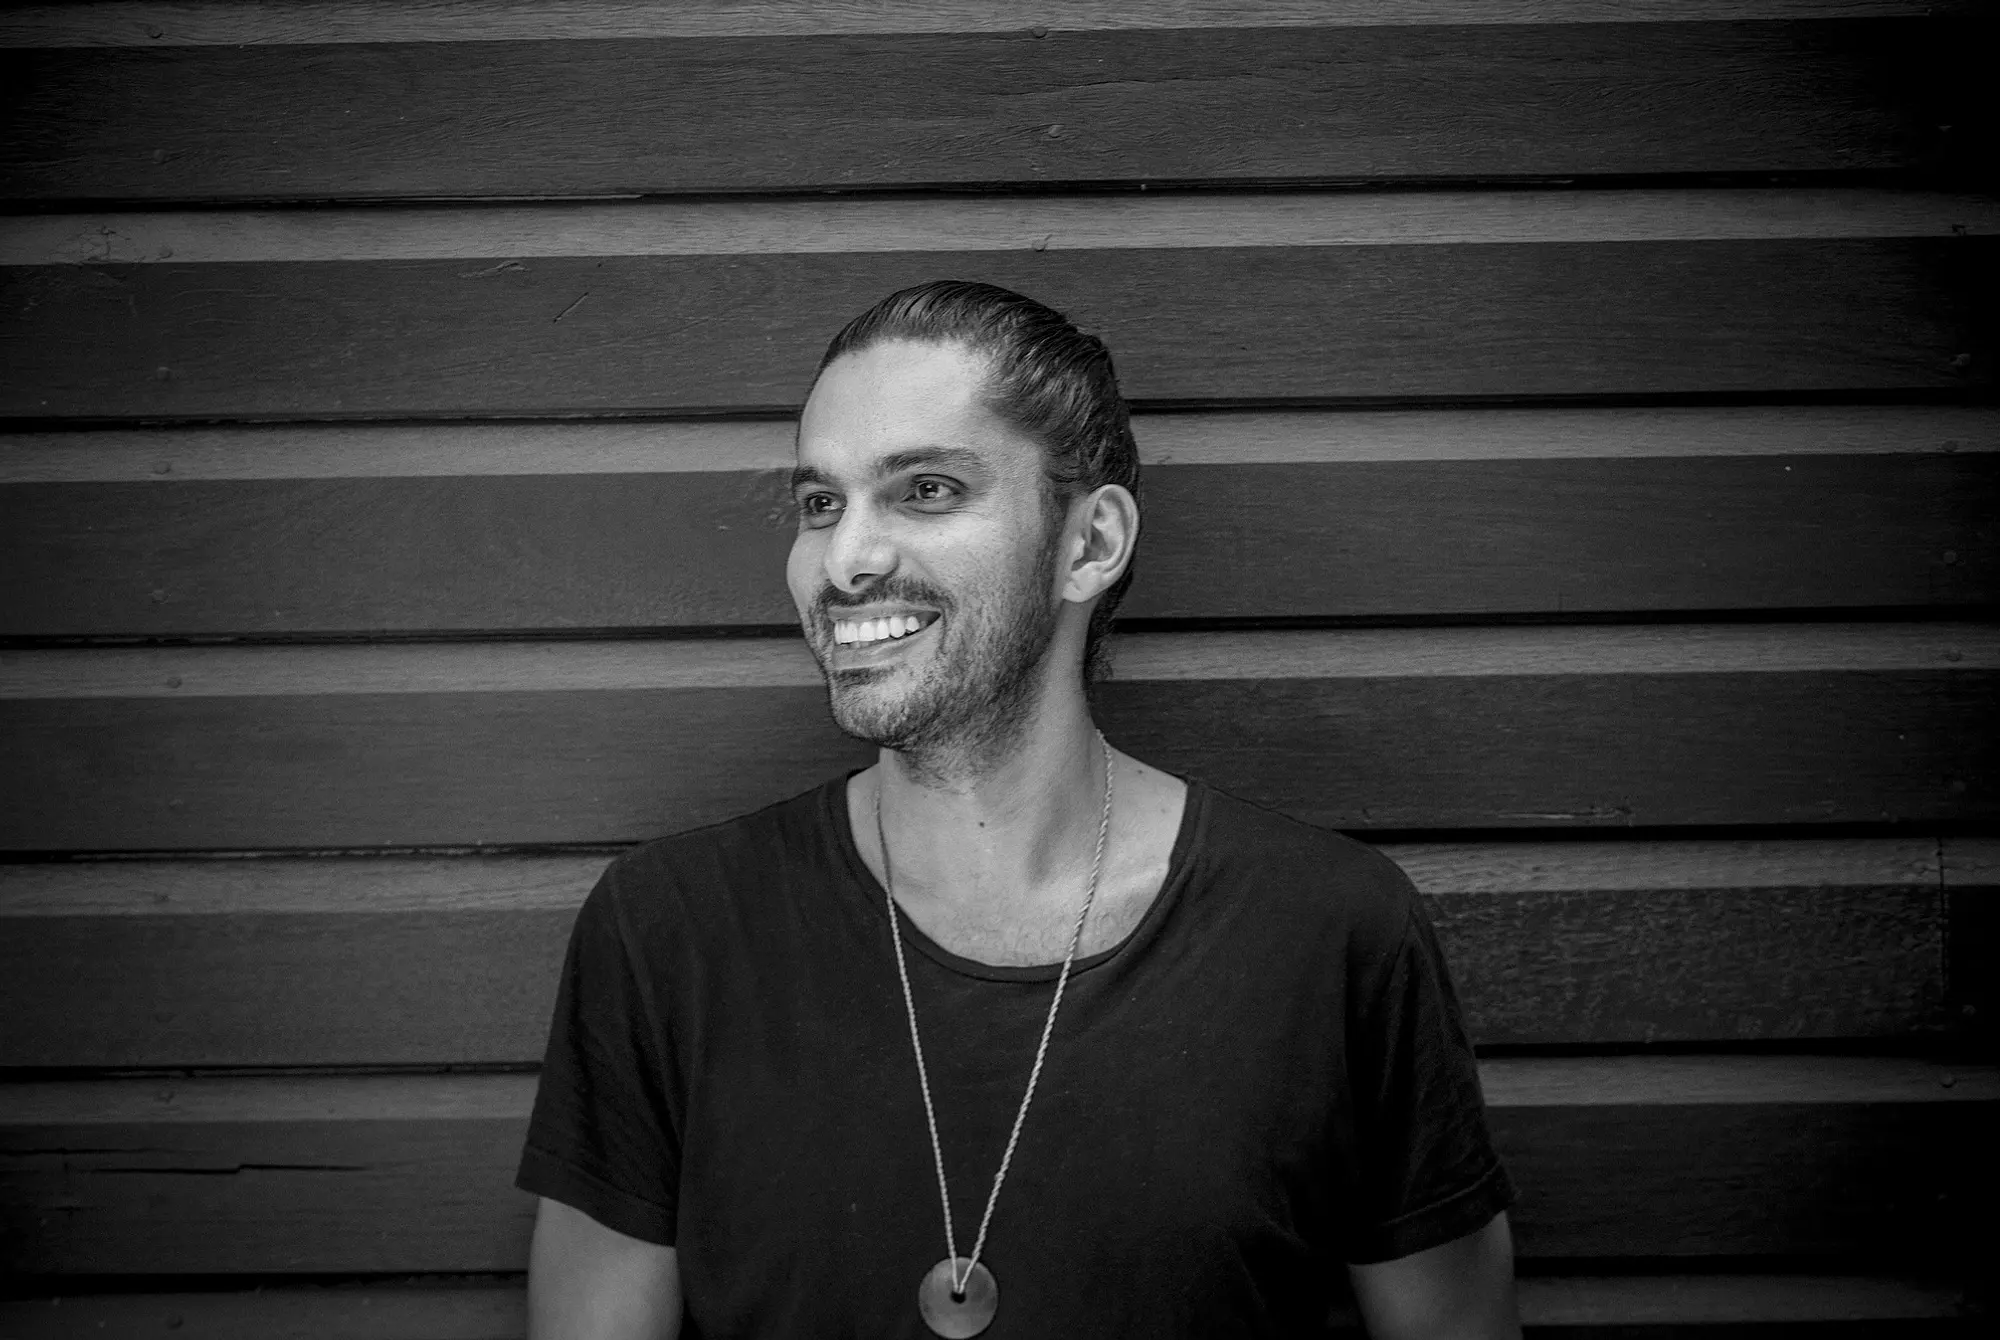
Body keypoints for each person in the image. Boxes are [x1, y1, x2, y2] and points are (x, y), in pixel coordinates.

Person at [516, 280, 1520, 1338]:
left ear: (1089, 544)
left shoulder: (1329, 931)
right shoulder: (669, 931)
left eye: (926, 490)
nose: (844, 561)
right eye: (821, 504)